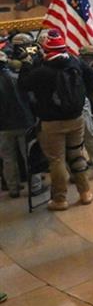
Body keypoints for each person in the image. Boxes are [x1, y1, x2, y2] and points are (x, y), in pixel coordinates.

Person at [18, 30, 93, 211]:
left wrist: (27, 63)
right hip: (76, 119)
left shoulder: (42, 71)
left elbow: (23, 85)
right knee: (77, 155)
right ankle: (85, 193)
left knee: (56, 160)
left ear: (46, 50)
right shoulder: (75, 63)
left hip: (51, 123)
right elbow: (92, 79)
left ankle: (60, 199)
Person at [0, 50, 35, 198]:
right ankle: (35, 186)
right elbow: (31, 99)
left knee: (8, 158)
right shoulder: (17, 78)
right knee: (29, 155)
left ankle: (13, 188)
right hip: (24, 121)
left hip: (3, 126)